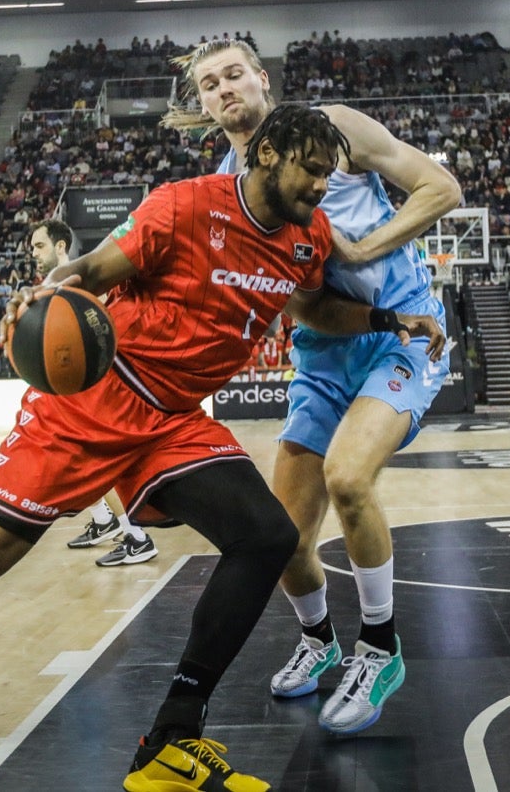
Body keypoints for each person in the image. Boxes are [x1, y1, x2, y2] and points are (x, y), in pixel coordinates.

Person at [0, 105, 445, 790]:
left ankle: (170, 743)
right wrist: (55, 284)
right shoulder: (185, 205)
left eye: (331, 172)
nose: (324, 184)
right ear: (269, 154)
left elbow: (309, 304)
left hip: (172, 419)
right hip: (92, 403)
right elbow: (94, 268)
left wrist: (386, 318)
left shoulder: (310, 235)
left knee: (267, 535)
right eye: (311, 169)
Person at [168, 37, 461, 734]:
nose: (224, 88)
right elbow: (298, 301)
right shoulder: (226, 187)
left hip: (403, 336)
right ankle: (317, 640)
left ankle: (380, 648)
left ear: (262, 80)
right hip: (324, 350)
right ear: (204, 104)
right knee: (281, 540)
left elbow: (442, 188)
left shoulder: (335, 126)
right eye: (210, 84)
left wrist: (362, 248)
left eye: (234, 73)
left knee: (350, 479)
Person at [28, 219, 158, 565]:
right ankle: (105, 520)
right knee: (72, 459)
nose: (34, 254)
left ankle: (138, 536)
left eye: (39, 246)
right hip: (79, 388)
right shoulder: (58, 283)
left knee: (94, 464)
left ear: (60, 247)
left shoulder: (88, 277)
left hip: (106, 388)